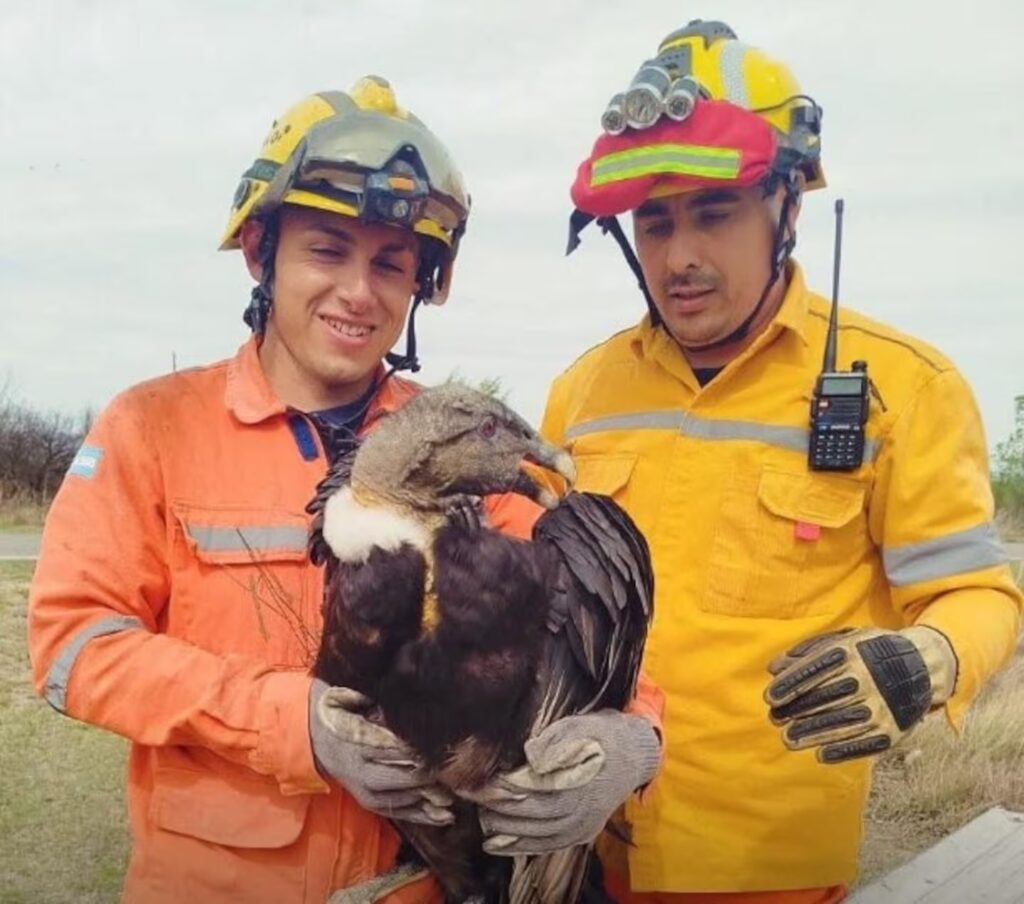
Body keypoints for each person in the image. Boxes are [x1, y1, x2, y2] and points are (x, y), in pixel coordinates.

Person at [27, 76, 663, 904]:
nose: (359, 293)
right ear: (262, 253)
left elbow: (584, 619)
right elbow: (73, 646)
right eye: (327, 251)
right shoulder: (150, 428)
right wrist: (289, 722)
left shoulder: (455, 447)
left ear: (420, 284)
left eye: (392, 264)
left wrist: (632, 737)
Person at [524, 19, 1024, 904]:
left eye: (714, 214)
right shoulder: (582, 395)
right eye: (655, 221)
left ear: (788, 205)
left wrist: (926, 662)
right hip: (584, 855)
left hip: (768, 869)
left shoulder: (903, 389)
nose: (680, 257)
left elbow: (976, 590)